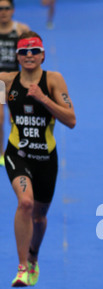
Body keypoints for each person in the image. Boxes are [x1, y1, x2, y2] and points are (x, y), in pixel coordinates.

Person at [1, 31, 76, 287]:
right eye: (24, 51)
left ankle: (33, 256)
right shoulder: (7, 82)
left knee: (39, 218)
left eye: (34, 51)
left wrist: (43, 99)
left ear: (43, 55)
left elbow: (71, 120)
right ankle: (23, 267)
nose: (29, 55)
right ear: (18, 57)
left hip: (45, 158)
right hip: (17, 154)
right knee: (25, 203)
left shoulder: (53, 80)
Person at [0, 0, 30, 166]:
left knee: (20, 118)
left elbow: (32, 55)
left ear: (12, 10)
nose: (3, 12)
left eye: (6, 8)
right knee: (0, 120)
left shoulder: (21, 30)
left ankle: (20, 149)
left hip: (16, 81)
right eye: (0, 9)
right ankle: (1, 152)